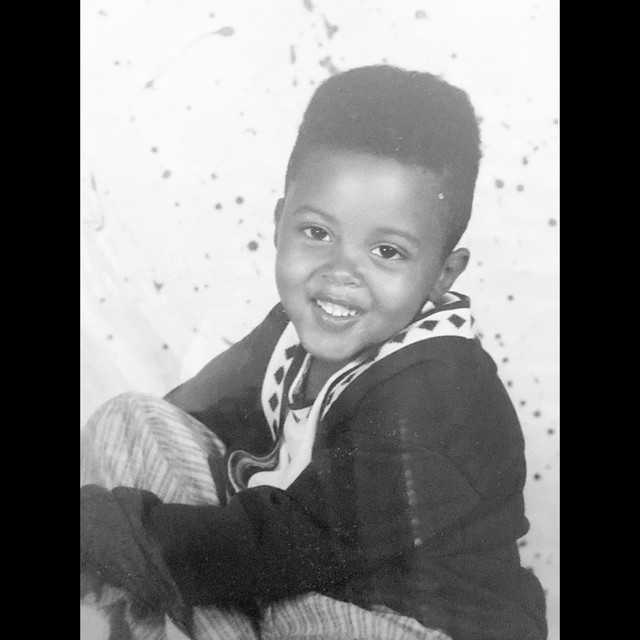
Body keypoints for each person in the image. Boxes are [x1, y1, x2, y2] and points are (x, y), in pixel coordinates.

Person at [81, 64, 548, 640]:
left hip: (410, 621)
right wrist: (112, 522)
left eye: (387, 251)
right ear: (280, 224)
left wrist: (122, 533)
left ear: (441, 275)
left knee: (299, 608)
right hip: (294, 580)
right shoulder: (292, 330)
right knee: (132, 421)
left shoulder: (439, 393)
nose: (340, 273)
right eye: (318, 233)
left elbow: (293, 545)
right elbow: (197, 413)